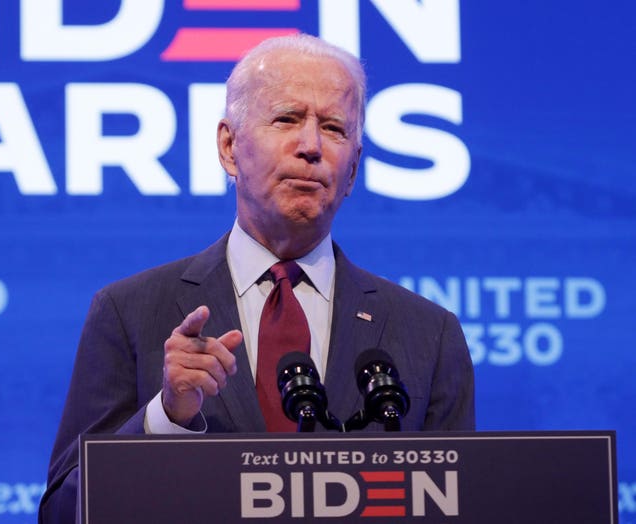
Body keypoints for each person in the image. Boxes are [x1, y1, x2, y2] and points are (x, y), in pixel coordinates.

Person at [38, 33, 475, 523]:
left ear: (352, 171)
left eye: (334, 128)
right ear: (229, 147)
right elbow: (63, 512)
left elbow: (458, 505)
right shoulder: (129, 312)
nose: (310, 146)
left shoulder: (428, 335)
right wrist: (167, 418)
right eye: (287, 119)